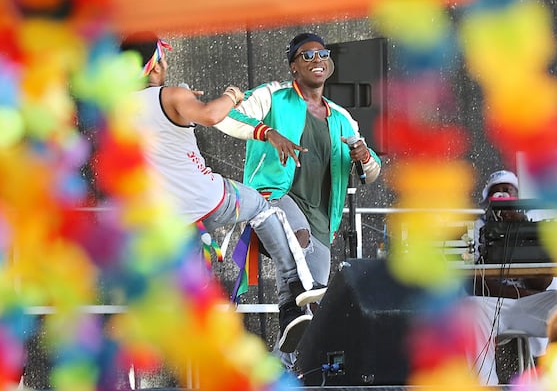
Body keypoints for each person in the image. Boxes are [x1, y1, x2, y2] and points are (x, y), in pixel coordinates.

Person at [121, 31, 326, 354]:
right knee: (263, 208)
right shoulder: (171, 95)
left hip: (165, 216)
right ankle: (292, 297)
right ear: (155, 66)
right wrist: (231, 96)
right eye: (164, 59)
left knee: (189, 282)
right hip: (209, 198)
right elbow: (212, 115)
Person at [215, 32, 382, 354]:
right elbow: (224, 116)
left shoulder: (343, 118)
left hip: (321, 219)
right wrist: (269, 132)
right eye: (306, 55)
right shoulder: (273, 96)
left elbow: (372, 171)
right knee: (297, 236)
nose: (316, 59)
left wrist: (364, 156)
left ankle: (286, 364)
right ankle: (289, 306)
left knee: (311, 312)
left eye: (322, 54)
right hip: (272, 196)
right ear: (293, 67)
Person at [465, 169, 557, 385]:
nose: (503, 196)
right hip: (492, 305)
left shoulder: (533, 224)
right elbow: (479, 283)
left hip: (529, 303)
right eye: (497, 192)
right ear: (488, 201)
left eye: (508, 191)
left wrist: (521, 231)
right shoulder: (476, 229)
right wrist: (523, 294)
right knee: (469, 308)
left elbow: (543, 282)